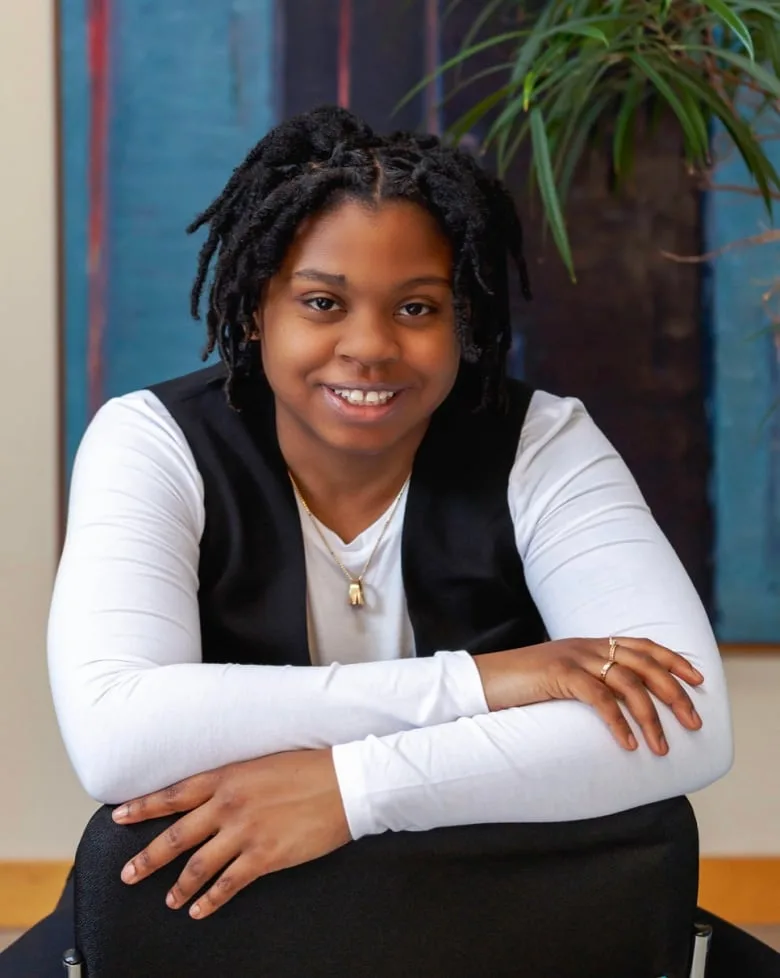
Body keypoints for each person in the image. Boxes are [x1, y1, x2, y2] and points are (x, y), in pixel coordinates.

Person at [2, 105, 744, 974]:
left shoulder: (543, 444)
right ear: (253, 311)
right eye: (322, 302)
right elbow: (120, 736)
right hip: (235, 941)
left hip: (500, 931)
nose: (369, 347)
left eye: (416, 307)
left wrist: (352, 791)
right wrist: (486, 685)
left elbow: (688, 728)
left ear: (460, 318)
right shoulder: (152, 441)